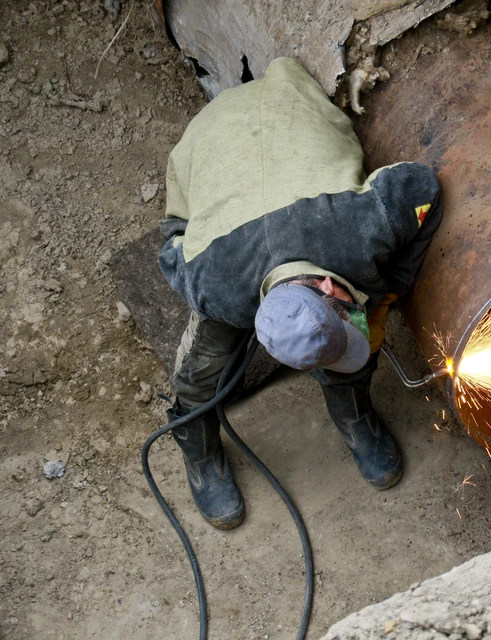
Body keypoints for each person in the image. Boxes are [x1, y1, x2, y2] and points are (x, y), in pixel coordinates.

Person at [157, 57, 442, 530]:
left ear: (330, 284)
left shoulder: (362, 225)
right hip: (208, 139)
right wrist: (197, 229)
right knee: (202, 369)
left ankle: (354, 416)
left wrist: (393, 288)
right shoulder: (215, 284)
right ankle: (200, 450)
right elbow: (171, 251)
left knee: (356, 327)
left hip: (284, 98)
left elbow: (422, 186)